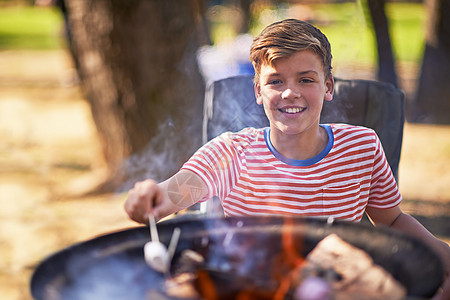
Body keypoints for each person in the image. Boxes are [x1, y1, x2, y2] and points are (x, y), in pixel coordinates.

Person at [125, 19, 449, 298]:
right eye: (275, 81)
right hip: (254, 289)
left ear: (328, 86)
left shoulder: (362, 147)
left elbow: (391, 220)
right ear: (257, 91)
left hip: (334, 288)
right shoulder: (230, 152)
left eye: (305, 79)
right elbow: (172, 194)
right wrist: (150, 199)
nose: (289, 92)